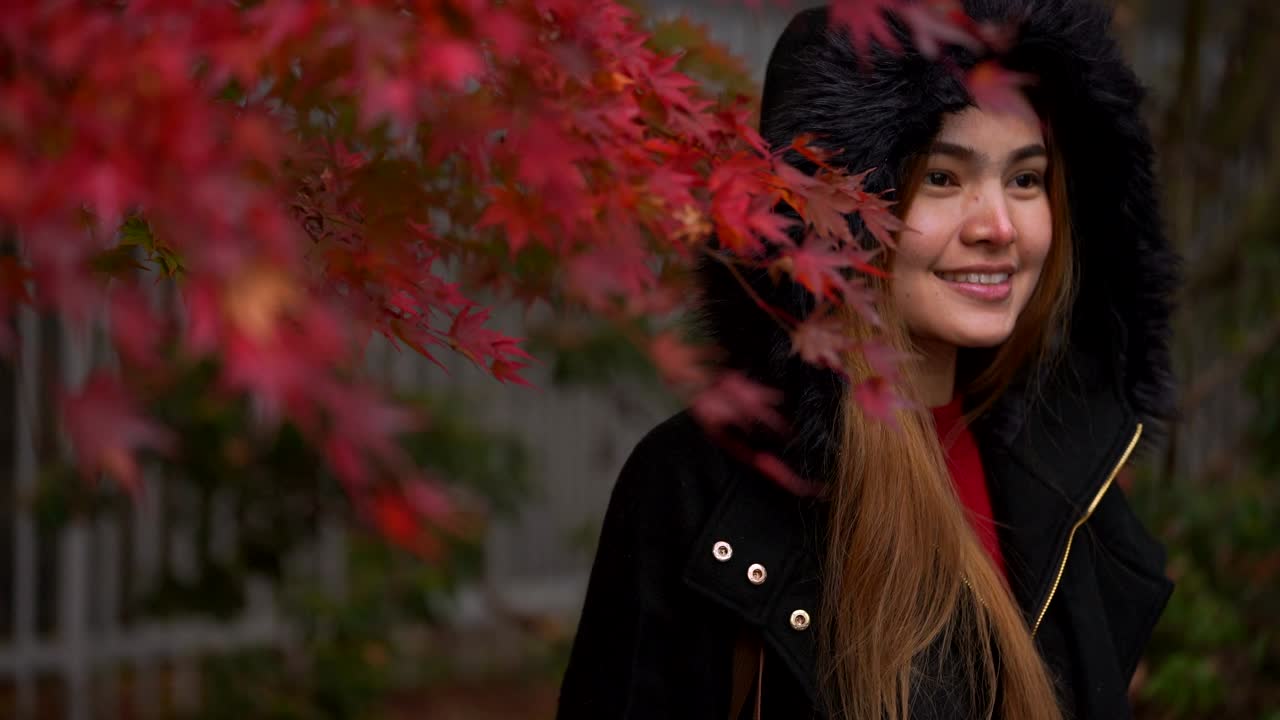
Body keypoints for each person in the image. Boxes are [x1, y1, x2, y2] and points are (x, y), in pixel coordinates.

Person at [557, 0, 1180, 718]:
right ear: (840, 215)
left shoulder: (1069, 474)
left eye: (1026, 179)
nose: (999, 227)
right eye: (943, 178)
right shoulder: (701, 488)